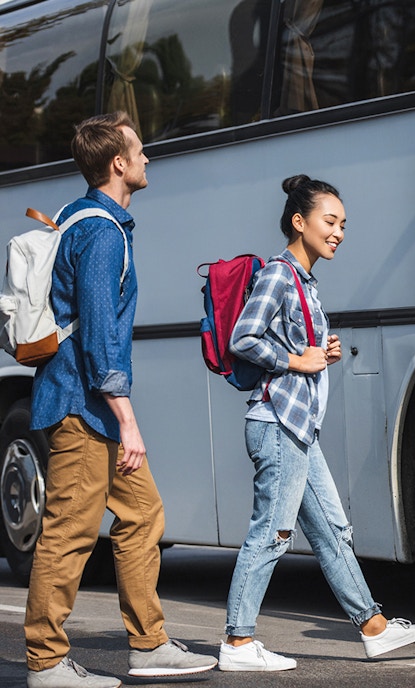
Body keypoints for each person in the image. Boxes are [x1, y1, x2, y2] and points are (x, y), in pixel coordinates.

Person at [25, 111, 218, 688]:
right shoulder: (102, 233)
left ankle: (150, 644)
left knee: (142, 513)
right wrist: (127, 421)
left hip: (88, 409)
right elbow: (103, 336)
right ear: (118, 163)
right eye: (140, 151)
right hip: (81, 408)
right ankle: (46, 662)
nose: (147, 158)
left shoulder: (85, 221)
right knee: (69, 532)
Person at [219, 175, 415, 671]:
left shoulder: (306, 280)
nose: (339, 232)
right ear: (300, 222)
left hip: (297, 429)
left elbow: (294, 346)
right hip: (277, 424)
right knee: (272, 533)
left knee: (334, 531)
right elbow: (244, 338)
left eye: (343, 224)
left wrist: (320, 353)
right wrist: (298, 362)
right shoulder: (279, 273)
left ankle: (374, 628)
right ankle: (237, 643)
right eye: (330, 221)